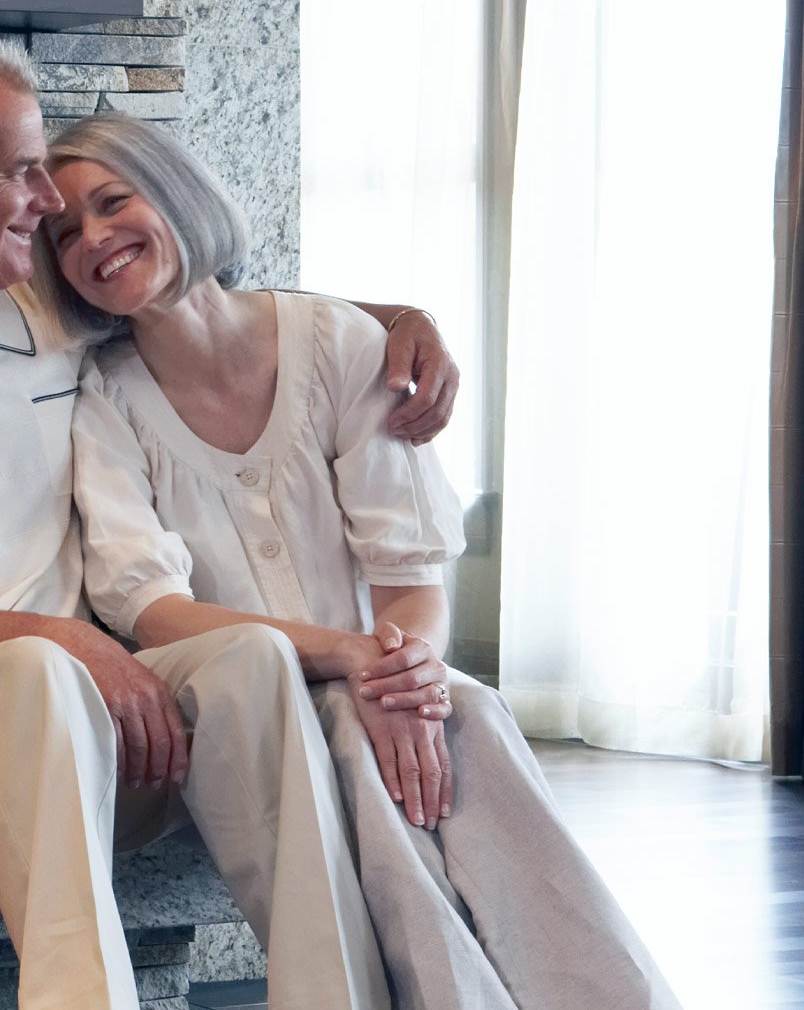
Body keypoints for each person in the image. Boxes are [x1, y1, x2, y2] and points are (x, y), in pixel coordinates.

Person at [0, 29, 455, 1010]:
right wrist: (69, 638)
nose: (48, 208)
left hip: (81, 706)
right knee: (32, 672)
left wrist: (398, 318)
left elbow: (203, 303)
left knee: (249, 659)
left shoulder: (40, 321)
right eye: (24, 174)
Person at [34, 111, 680, 1009]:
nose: (94, 239)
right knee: (347, 734)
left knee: (473, 712)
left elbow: (411, 578)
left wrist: (405, 670)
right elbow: (155, 612)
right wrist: (350, 661)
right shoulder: (102, 402)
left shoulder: (342, 345)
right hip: (240, 698)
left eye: (113, 202)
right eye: (64, 234)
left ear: (175, 193)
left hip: (374, 673)